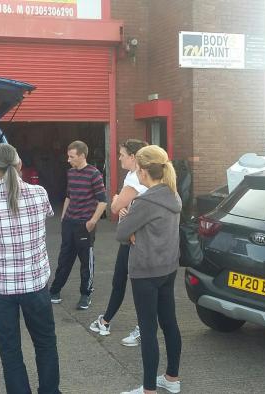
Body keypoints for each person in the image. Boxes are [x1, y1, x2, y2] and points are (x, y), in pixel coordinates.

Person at [0, 144, 60, 394]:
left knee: (10, 350)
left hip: (1, 287)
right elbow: (45, 218)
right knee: (45, 343)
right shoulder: (40, 193)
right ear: (20, 165)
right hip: (35, 283)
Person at [117, 145, 182, 394]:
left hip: (145, 270)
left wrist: (127, 220)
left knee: (148, 328)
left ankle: (148, 390)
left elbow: (122, 234)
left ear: (143, 171)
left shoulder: (144, 201)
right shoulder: (173, 195)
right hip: (168, 268)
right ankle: (172, 379)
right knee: (170, 323)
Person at [88, 139, 148, 347]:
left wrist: (117, 200)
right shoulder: (133, 175)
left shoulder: (136, 178)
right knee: (119, 279)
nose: (119, 157)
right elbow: (124, 204)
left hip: (137, 239)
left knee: (140, 286)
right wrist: (123, 203)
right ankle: (105, 321)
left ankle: (144, 329)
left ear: (133, 157)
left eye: (122, 154)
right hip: (129, 236)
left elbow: (114, 207)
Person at [49, 140, 107, 310]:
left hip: (85, 224)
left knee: (85, 260)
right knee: (64, 258)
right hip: (69, 222)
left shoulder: (94, 174)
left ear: (82, 156)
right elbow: (69, 195)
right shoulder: (71, 173)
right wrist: (64, 216)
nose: (68, 160)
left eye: (71, 157)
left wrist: (92, 221)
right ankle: (54, 291)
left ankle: (85, 294)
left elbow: (103, 201)